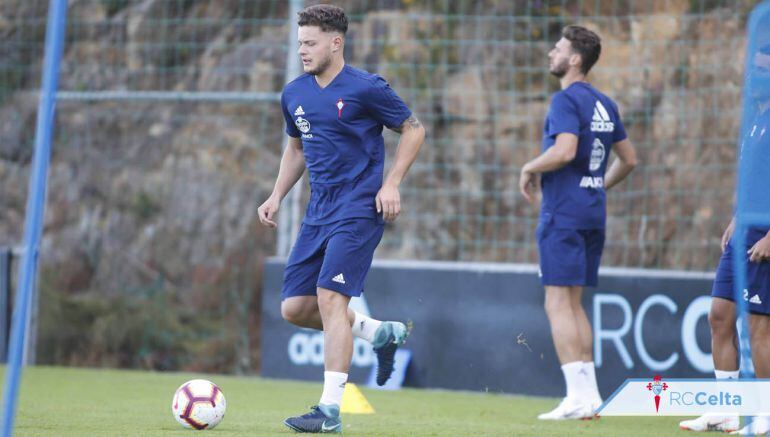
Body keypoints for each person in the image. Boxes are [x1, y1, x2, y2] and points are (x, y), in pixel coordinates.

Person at [257, 4, 425, 433]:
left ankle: (329, 411)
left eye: (311, 43)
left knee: (331, 301)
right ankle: (376, 333)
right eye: (299, 44)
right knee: (294, 308)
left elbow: (413, 128)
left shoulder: (366, 88)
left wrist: (391, 184)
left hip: (359, 208)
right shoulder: (294, 93)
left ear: (336, 42)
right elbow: (296, 149)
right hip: (319, 210)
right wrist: (277, 194)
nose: (303, 51)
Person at [518, 25, 638, 420]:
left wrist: (530, 166)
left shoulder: (565, 100)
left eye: (558, 48)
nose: (551, 53)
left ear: (574, 59)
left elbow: (565, 150)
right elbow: (630, 159)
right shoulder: (604, 103)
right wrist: (597, 185)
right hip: (591, 211)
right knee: (574, 304)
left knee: (557, 303)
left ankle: (575, 397)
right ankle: (589, 396)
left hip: (564, 213)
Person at [679, 44, 770, 436]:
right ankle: (726, 410)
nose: (754, 77)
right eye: (754, 69)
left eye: (762, 70)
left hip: (764, 237)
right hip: (743, 232)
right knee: (718, 315)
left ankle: (765, 414)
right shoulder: (755, 121)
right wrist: (737, 217)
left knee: (760, 329)